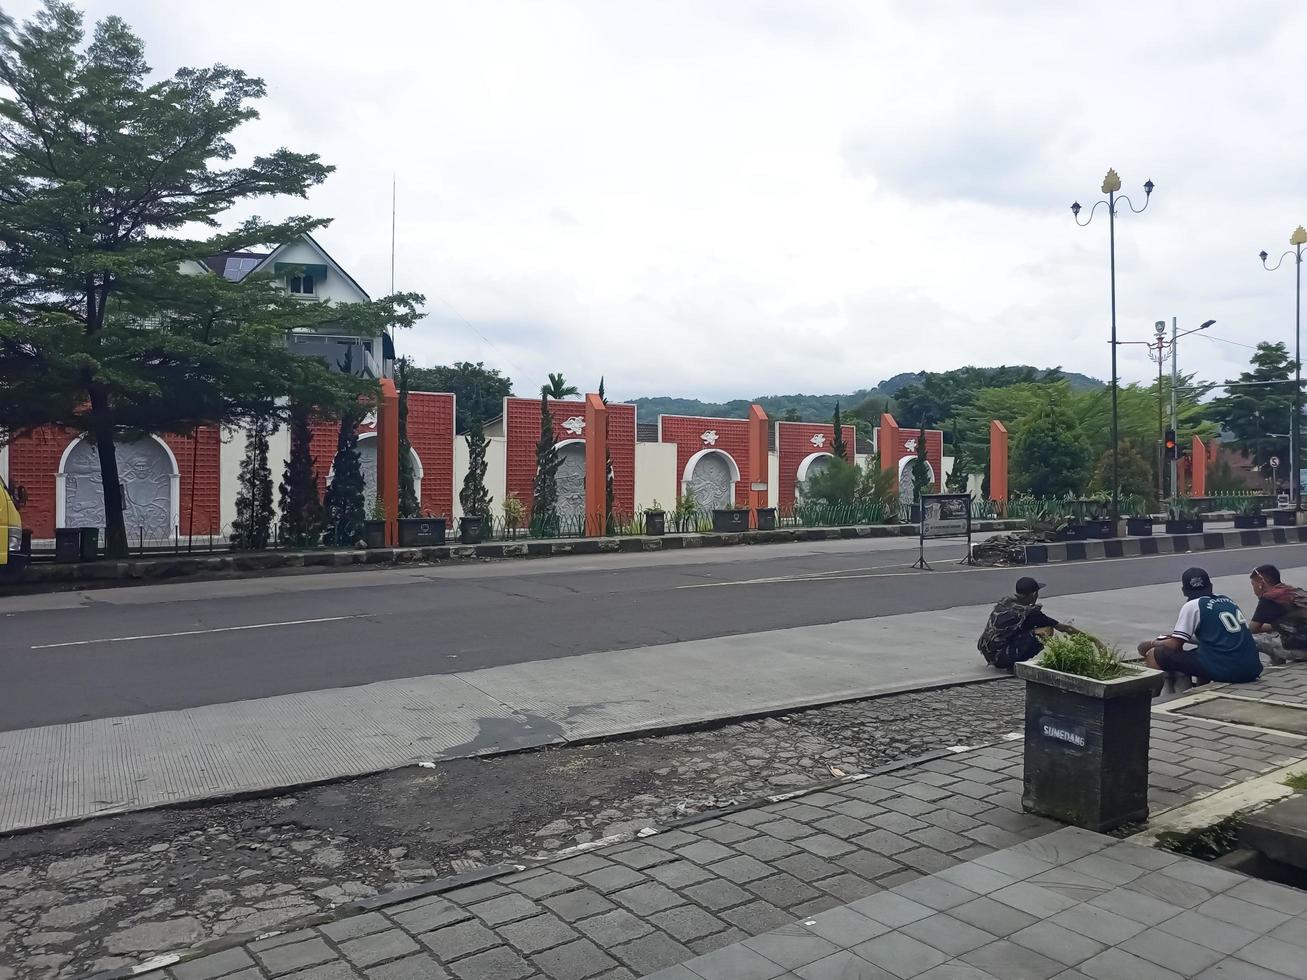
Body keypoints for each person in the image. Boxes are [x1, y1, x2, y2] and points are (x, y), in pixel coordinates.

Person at [1137, 567, 1262, 684]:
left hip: (1228, 671)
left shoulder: (1192, 605)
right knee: (1201, 653)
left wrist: (1151, 643)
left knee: (1156, 653)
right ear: (1211, 586)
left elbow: (1174, 645)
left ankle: (1151, 699)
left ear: (1184, 591)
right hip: (1251, 668)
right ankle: (1200, 687)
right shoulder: (1227, 600)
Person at [978, 576, 1079, 670]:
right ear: (1034, 594)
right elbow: (1065, 628)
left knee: (1030, 629)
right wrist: (1092, 639)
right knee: (1047, 629)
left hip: (988, 653)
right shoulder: (1029, 613)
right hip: (1001, 657)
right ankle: (1014, 664)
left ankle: (1004, 660)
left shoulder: (1005, 602)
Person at [1248, 564, 1307, 665]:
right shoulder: (1293, 591)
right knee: (1274, 632)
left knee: (1248, 638)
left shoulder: (1269, 598)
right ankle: (1276, 665)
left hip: (1302, 651)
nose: (1253, 589)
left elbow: (1253, 629)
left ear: (1260, 583)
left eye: (1253, 584)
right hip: (1302, 639)